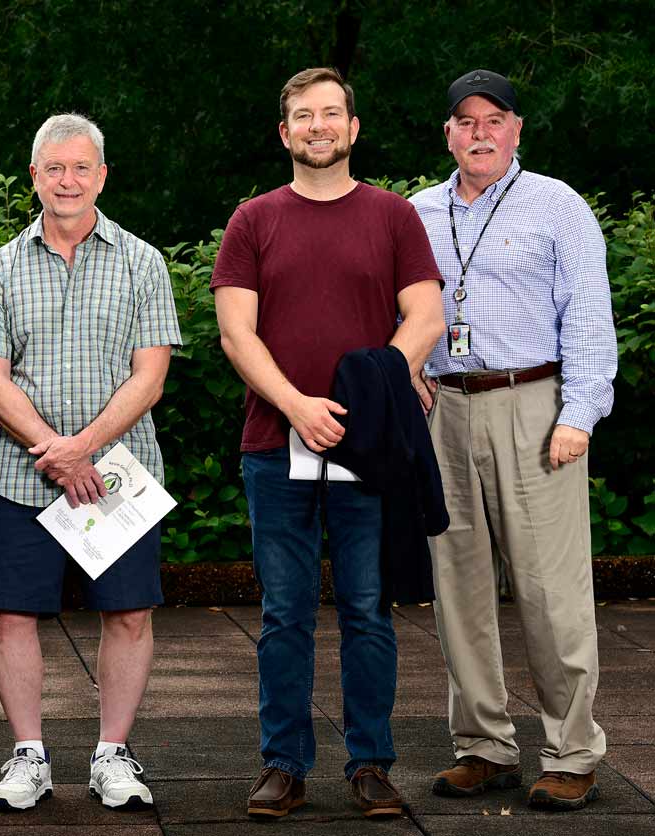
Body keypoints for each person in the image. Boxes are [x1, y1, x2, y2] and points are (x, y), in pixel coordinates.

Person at [211, 67, 445, 820]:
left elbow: (426, 315)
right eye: (303, 116)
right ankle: (284, 764)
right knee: (284, 612)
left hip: (369, 446)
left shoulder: (393, 217)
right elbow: (235, 332)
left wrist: (377, 383)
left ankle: (371, 763)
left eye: (332, 114)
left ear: (353, 128)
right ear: (285, 133)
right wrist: (296, 405)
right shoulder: (253, 219)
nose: (318, 126)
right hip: (275, 445)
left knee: (369, 610)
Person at [409, 69, 617, 812]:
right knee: (457, 588)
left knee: (550, 590)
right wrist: (406, 373)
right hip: (445, 409)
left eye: (494, 119)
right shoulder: (419, 212)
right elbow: (399, 311)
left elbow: (590, 318)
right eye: (465, 121)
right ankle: (484, 747)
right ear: (448, 134)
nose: (480, 133)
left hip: (534, 403)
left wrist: (578, 414)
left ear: (517, 129)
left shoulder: (556, 206)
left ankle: (571, 751)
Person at [0, 113, 181, 813]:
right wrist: (56, 456)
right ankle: (28, 755)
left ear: (102, 176)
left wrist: (83, 448)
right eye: (54, 168)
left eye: (81, 167)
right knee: (11, 617)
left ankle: (112, 755)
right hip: (21, 475)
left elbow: (150, 377)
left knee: (127, 615)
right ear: (34, 177)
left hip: (119, 476)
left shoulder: (143, 261)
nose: (67, 180)